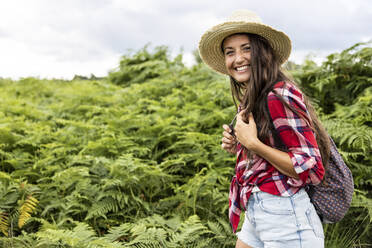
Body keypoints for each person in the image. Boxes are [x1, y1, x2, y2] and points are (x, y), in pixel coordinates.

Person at [198, 10, 331, 248]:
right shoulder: (254, 97)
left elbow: (311, 168)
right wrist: (239, 144)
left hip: (288, 218)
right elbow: (272, 148)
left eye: (246, 48)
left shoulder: (278, 95)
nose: (238, 58)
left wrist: (253, 144)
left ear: (263, 52)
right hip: (258, 208)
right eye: (230, 52)